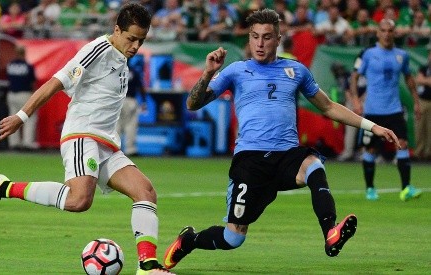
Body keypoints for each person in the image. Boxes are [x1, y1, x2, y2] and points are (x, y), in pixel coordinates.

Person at [162, 8, 401, 270]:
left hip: (287, 155)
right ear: (249, 39)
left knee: (313, 165)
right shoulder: (236, 71)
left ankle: (330, 233)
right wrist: (207, 73)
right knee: (233, 237)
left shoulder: (296, 71)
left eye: (266, 37)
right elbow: (193, 103)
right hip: (250, 160)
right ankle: (190, 240)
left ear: (278, 39)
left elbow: (329, 106)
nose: (260, 43)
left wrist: (372, 125)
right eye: (254, 37)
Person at [0, 3, 174, 275]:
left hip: (107, 144)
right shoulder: (97, 50)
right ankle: (4, 187)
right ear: (116, 30)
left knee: (145, 192)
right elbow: (55, 82)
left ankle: (147, 266)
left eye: (141, 40)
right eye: (131, 38)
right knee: (79, 201)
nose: (135, 46)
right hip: (82, 134)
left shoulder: (122, 58)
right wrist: (21, 116)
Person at [350, 18, 423, 202]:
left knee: (403, 144)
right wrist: (356, 101)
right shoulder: (367, 53)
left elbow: (409, 78)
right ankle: (370, 189)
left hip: (394, 109)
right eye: (383, 30)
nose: (387, 34)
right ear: (378, 33)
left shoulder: (401, 55)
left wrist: (415, 101)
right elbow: (354, 76)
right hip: (373, 110)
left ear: (394, 33)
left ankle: (406, 188)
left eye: (390, 30)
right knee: (371, 149)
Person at [5, 45, 37, 150]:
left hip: (11, 94)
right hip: (24, 94)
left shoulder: (10, 65)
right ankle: (27, 143)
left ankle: (13, 143)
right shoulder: (28, 66)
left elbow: (8, 79)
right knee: (30, 118)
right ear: (24, 53)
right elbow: (32, 82)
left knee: (12, 118)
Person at [117, 58, 146, 156]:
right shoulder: (134, 71)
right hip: (130, 100)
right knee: (131, 126)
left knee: (117, 126)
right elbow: (141, 87)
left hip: (118, 100)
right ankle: (130, 149)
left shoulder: (116, 70)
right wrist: (144, 101)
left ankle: (115, 148)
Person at [414, 47, 431, 160]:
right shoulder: (424, 68)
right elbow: (418, 80)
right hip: (423, 100)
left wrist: (425, 80)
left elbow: (422, 80)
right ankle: (419, 152)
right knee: (420, 127)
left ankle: (429, 153)